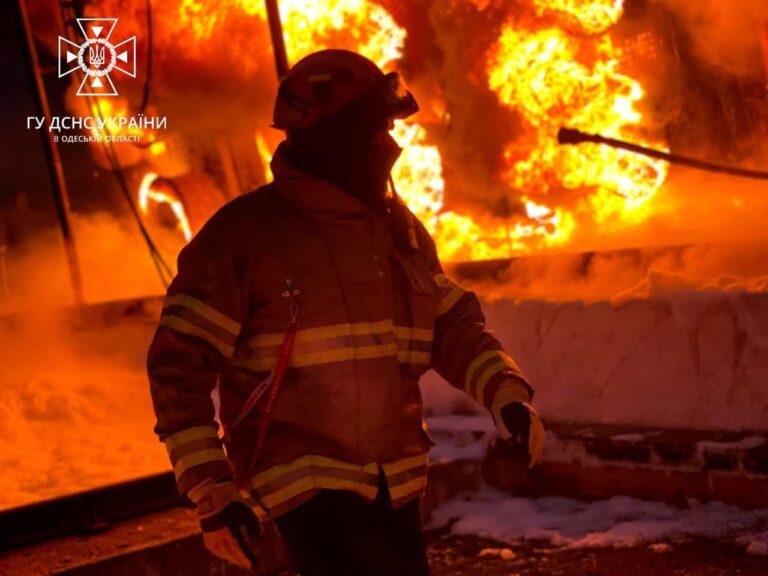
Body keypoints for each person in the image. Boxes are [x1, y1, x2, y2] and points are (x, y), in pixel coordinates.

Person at [147, 49, 545, 575]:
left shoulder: (396, 230)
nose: (390, 145)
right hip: (302, 490)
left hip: (394, 482)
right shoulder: (243, 238)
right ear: (326, 137)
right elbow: (178, 367)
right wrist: (213, 491)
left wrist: (507, 394)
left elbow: (450, 325)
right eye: (372, 129)